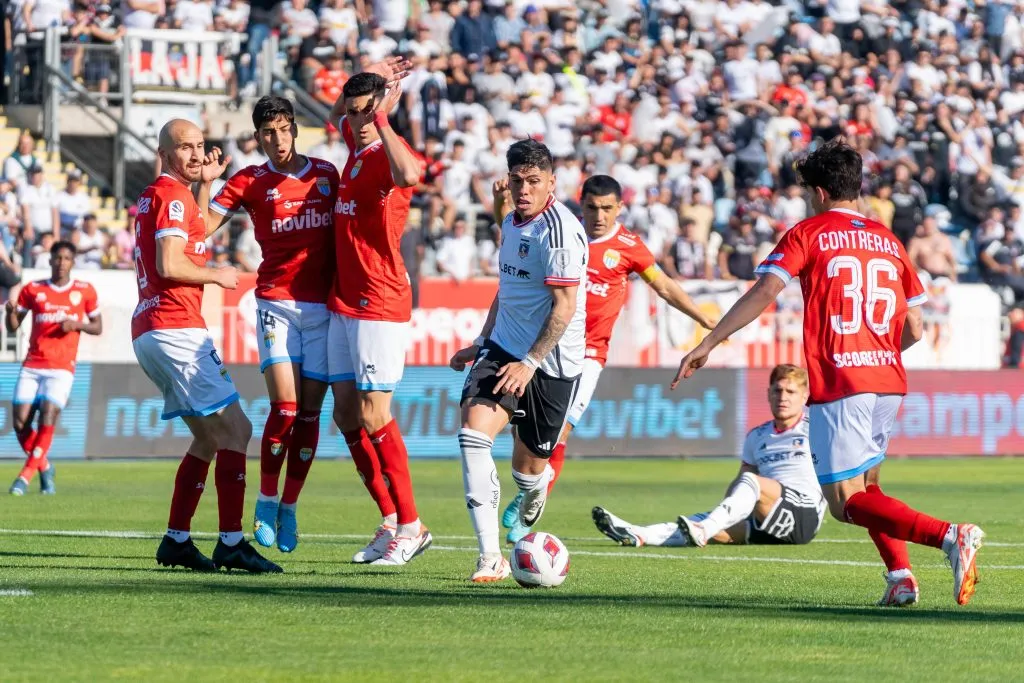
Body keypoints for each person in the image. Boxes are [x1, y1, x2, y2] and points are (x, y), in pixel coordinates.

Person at [671, 139, 984, 607]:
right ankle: (900, 576)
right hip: (888, 381)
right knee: (869, 487)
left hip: (843, 382)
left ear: (818, 192)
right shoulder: (889, 240)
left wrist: (710, 341)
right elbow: (915, 329)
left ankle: (949, 536)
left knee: (844, 504)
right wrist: (877, 351)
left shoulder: (809, 233)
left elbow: (764, 292)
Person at [496, 174, 716, 543]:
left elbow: (662, 285)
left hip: (588, 355)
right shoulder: (562, 233)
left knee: (560, 429)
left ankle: (531, 500)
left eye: (607, 209)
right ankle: (532, 485)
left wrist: (702, 317)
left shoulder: (629, 246)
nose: (599, 216)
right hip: (544, 347)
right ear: (581, 206)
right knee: (524, 434)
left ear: (620, 208)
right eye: (592, 208)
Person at [135, 118, 280, 574]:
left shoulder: (162, 196)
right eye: (185, 148)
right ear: (164, 153)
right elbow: (172, 261)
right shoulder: (171, 197)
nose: (197, 155)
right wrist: (217, 275)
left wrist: (207, 187)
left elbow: (190, 240)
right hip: (176, 327)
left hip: (154, 328)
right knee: (237, 431)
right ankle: (232, 542)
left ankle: (177, 539)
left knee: (208, 437)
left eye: (200, 146)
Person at [449, 139, 588, 583]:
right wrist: (481, 341)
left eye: (533, 182)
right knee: (473, 436)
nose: (523, 190)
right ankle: (490, 557)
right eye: (517, 181)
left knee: (528, 471)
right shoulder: (510, 222)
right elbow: (506, 290)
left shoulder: (561, 231)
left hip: (551, 361)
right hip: (503, 349)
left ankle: (534, 491)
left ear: (552, 183)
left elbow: (564, 307)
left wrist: (530, 361)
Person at [206, 96, 338, 554]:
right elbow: (201, 226)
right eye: (268, 132)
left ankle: (289, 506)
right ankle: (264, 500)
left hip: (322, 309)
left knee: (308, 414)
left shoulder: (326, 175)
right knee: (284, 408)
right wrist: (203, 185)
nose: (277, 139)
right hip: (275, 303)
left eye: (284, 129)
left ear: (295, 129)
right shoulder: (248, 181)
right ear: (257, 136)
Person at [328, 62, 432, 566]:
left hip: (380, 298)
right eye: (353, 114)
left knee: (375, 412)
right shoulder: (354, 147)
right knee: (347, 413)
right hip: (344, 300)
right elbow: (336, 118)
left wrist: (383, 114)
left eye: (363, 114)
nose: (355, 121)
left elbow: (413, 174)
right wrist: (367, 79)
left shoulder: (390, 154)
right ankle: (390, 519)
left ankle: (413, 526)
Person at [593, 365, 826, 549]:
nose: (782, 397)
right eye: (777, 390)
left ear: (805, 396)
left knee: (748, 489)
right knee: (701, 524)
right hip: (766, 518)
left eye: (791, 391)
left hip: (804, 514)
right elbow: (741, 480)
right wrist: (723, 512)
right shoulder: (757, 436)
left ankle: (704, 529)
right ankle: (638, 534)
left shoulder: (816, 427)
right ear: (768, 393)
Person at [6, 241, 101, 496]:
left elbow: (97, 326)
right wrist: (9, 312)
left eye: (67, 258)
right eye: (57, 258)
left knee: (48, 415)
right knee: (19, 424)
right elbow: (14, 326)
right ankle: (45, 467)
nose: (61, 263)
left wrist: (76, 324)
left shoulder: (84, 291)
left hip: (61, 367)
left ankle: (24, 478)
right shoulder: (34, 289)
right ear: (49, 261)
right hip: (33, 364)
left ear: (72, 262)